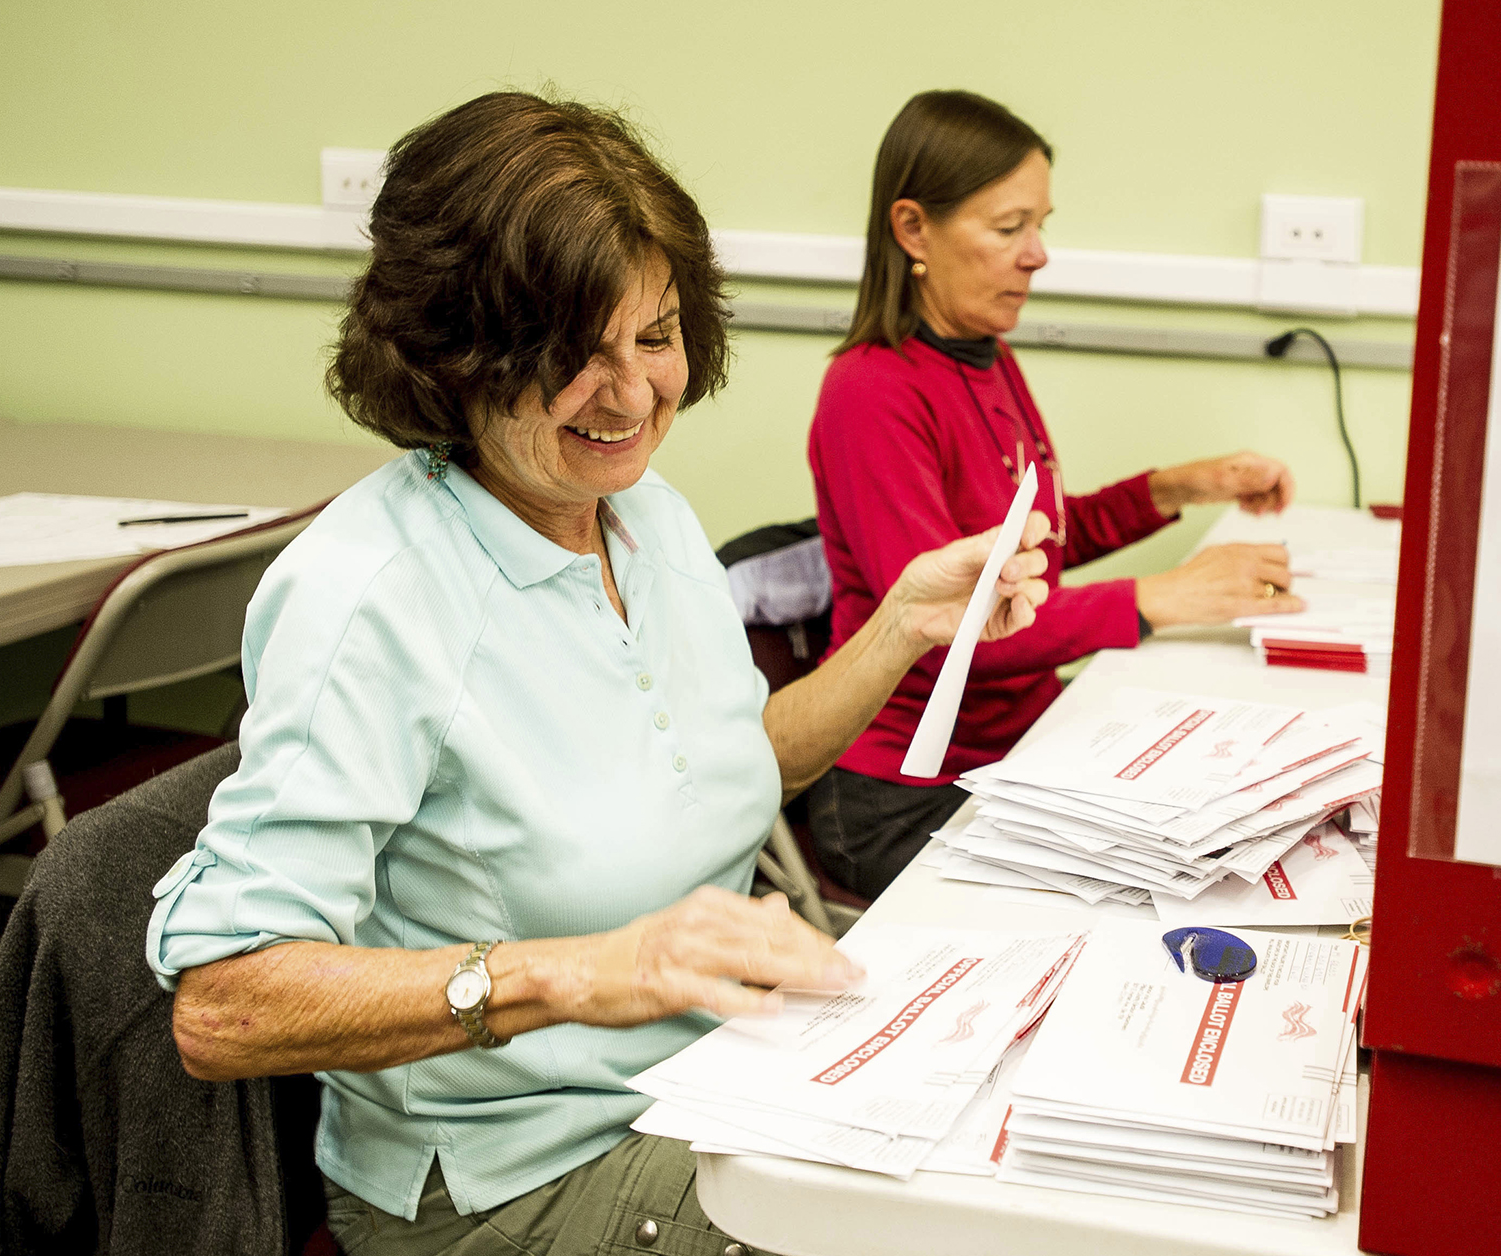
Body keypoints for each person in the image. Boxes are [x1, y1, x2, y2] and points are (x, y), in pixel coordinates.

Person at [144, 92, 1052, 1256]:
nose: (630, 396)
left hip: (715, 1076)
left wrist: (902, 626)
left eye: (656, 336)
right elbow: (222, 1006)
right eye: (573, 353)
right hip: (510, 1180)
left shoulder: (638, 512)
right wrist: (583, 972)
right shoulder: (372, 595)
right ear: (454, 352)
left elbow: (733, 765)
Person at [804, 89, 1306, 900]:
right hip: (901, 791)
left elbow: (1036, 547)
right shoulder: (872, 391)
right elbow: (958, 630)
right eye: (1010, 228)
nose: (1037, 254)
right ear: (912, 230)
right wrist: (1160, 595)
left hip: (1013, 748)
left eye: (1041, 224)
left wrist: (1181, 486)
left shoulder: (984, 354)